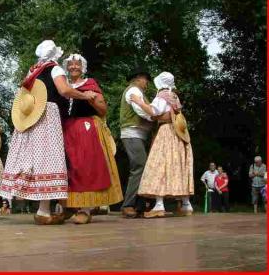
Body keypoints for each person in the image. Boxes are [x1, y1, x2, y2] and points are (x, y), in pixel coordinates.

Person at [0, 41, 98, 224]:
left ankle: (43, 209)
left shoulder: (32, 71)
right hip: (47, 115)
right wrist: (85, 95)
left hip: (30, 117)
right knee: (48, 159)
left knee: (37, 160)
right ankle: (44, 212)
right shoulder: (55, 69)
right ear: (55, 55)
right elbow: (64, 90)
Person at [61, 54, 122, 224]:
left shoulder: (90, 84)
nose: (74, 67)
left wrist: (91, 98)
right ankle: (69, 206)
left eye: (77, 65)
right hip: (67, 129)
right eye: (71, 65)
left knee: (85, 165)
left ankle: (86, 209)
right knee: (69, 167)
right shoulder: (63, 86)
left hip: (86, 128)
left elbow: (103, 110)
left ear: (83, 68)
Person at [138, 72, 195, 218]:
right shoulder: (174, 96)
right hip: (178, 133)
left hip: (166, 132)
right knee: (177, 165)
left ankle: (159, 205)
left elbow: (153, 111)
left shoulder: (162, 96)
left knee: (159, 165)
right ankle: (186, 204)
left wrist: (139, 102)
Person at [119, 71, 155, 217]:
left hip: (138, 134)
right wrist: (155, 115)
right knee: (139, 166)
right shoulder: (133, 90)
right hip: (132, 133)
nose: (147, 83)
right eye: (146, 80)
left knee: (141, 167)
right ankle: (128, 205)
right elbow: (141, 111)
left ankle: (140, 205)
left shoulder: (137, 91)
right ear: (139, 79)